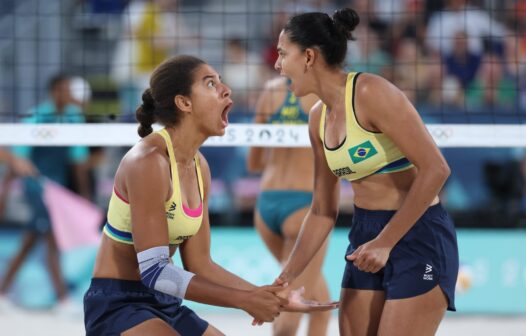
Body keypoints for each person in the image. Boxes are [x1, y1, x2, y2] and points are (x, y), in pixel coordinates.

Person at [83, 55, 338, 336]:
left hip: (164, 300)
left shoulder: (199, 165)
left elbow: (200, 265)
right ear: (184, 103)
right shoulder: (148, 162)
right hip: (118, 302)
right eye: (210, 83)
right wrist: (244, 300)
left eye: (220, 81)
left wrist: (268, 296)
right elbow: (155, 271)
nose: (225, 89)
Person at [271, 8, 459, 336]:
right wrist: (284, 280)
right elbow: (321, 212)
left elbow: (436, 169)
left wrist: (386, 242)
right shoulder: (317, 118)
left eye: (283, 54)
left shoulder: (371, 93)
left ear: (309, 57)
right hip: (364, 233)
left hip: (416, 231)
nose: (277, 64)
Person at [247, 77, 331, 336]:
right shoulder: (324, 91)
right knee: (293, 299)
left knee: (322, 300)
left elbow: (254, 163)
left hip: (267, 203)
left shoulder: (270, 91)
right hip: (305, 204)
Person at [0, 74, 91, 312]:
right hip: (34, 185)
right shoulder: (36, 116)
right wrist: (5, 191)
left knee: (31, 240)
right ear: (54, 92)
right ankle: (62, 299)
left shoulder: (73, 117)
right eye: (64, 90)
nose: (69, 94)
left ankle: (2, 291)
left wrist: (83, 198)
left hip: (57, 190)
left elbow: (78, 160)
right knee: (51, 238)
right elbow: (18, 159)